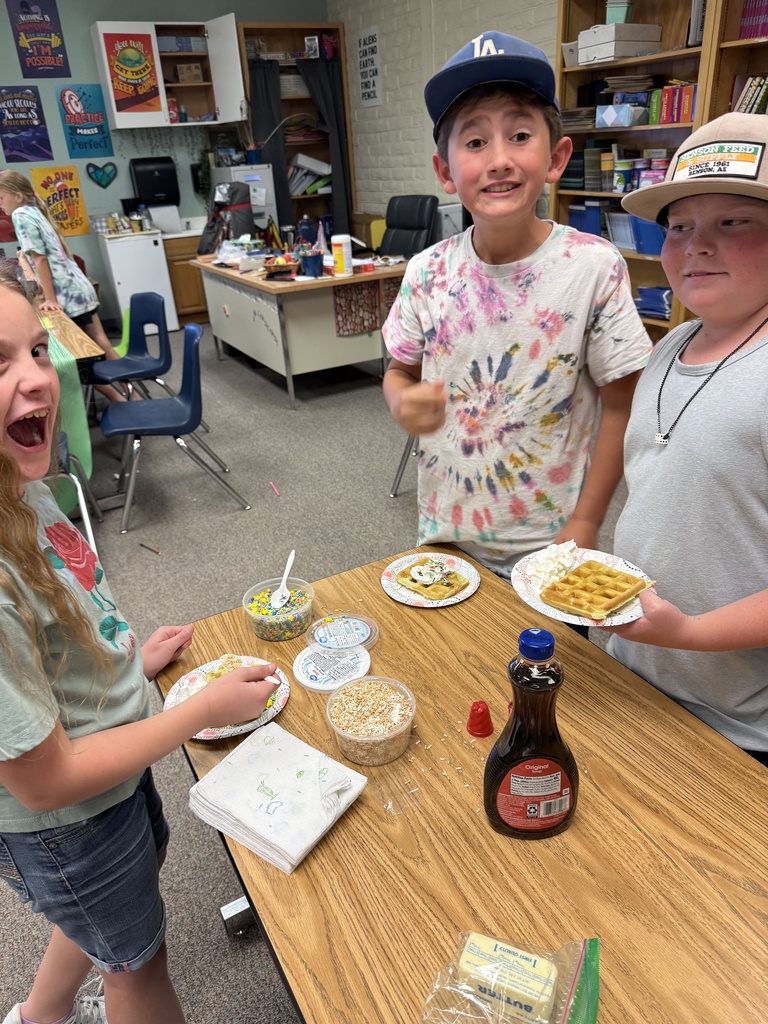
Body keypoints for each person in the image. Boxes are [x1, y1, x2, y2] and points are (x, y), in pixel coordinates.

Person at [0, 263, 280, 1022]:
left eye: (34, 350)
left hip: (108, 768)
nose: (37, 379)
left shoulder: (20, 486)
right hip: (69, 821)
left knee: (111, 915)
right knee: (138, 967)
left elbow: (60, 629)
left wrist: (128, 665)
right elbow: (44, 781)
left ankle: (39, 1015)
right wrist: (197, 712)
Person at [382, 31, 651, 577]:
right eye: (475, 142)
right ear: (445, 172)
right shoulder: (426, 272)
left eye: (520, 135)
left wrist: (586, 521)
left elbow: (623, 404)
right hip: (444, 535)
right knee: (449, 659)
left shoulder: (594, 267)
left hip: (550, 541)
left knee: (544, 664)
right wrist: (400, 401)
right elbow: (399, 370)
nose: (499, 159)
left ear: (555, 158)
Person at [603, 112, 768, 765]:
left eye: (733, 221)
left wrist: (691, 632)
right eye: (679, 227)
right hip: (632, 670)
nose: (696, 244)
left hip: (734, 717)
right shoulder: (669, 346)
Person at [0, 170, 127, 404]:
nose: (0, 205)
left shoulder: (20, 215)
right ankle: (133, 394)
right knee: (103, 343)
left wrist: (50, 299)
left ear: (17, 196)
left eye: (1, 198)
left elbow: (41, 260)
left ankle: (121, 400)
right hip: (80, 289)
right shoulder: (35, 211)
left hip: (68, 296)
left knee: (78, 362)